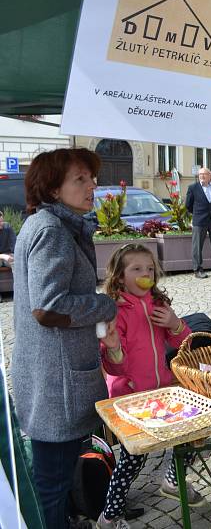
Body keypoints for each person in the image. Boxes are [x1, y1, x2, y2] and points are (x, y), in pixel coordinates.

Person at [10, 148, 118, 529]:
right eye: (80, 179)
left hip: (59, 375)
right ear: (53, 188)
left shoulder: (58, 225)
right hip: (57, 383)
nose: (92, 186)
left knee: (59, 476)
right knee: (51, 484)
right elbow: (48, 306)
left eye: (91, 178)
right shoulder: (51, 229)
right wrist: (104, 306)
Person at [95, 244, 198, 528]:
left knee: (190, 434)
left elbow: (183, 345)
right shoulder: (114, 311)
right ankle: (109, 517)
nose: (146, 274)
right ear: (119, 277)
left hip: (161, 389)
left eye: (150, 269)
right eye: (137, 269)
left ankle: (173, 481)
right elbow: (115, 365)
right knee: (132, 459)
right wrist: (114, 348)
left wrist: (176, 324)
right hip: (130, 396)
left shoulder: (157, 303)